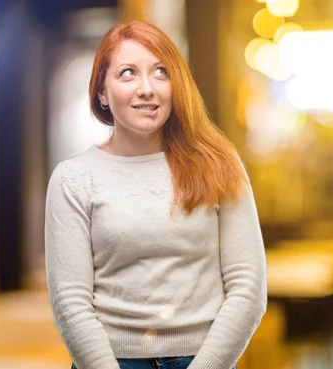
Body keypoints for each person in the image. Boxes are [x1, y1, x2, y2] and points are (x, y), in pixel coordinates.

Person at [44, 21, 267, 369]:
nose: (146, 89)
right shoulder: (73, 179)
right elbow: (70, 303)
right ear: (102, 92)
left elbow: (248, 288)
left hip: (206, 360)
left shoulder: (220, 165)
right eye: (128, 73)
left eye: (160, 72)